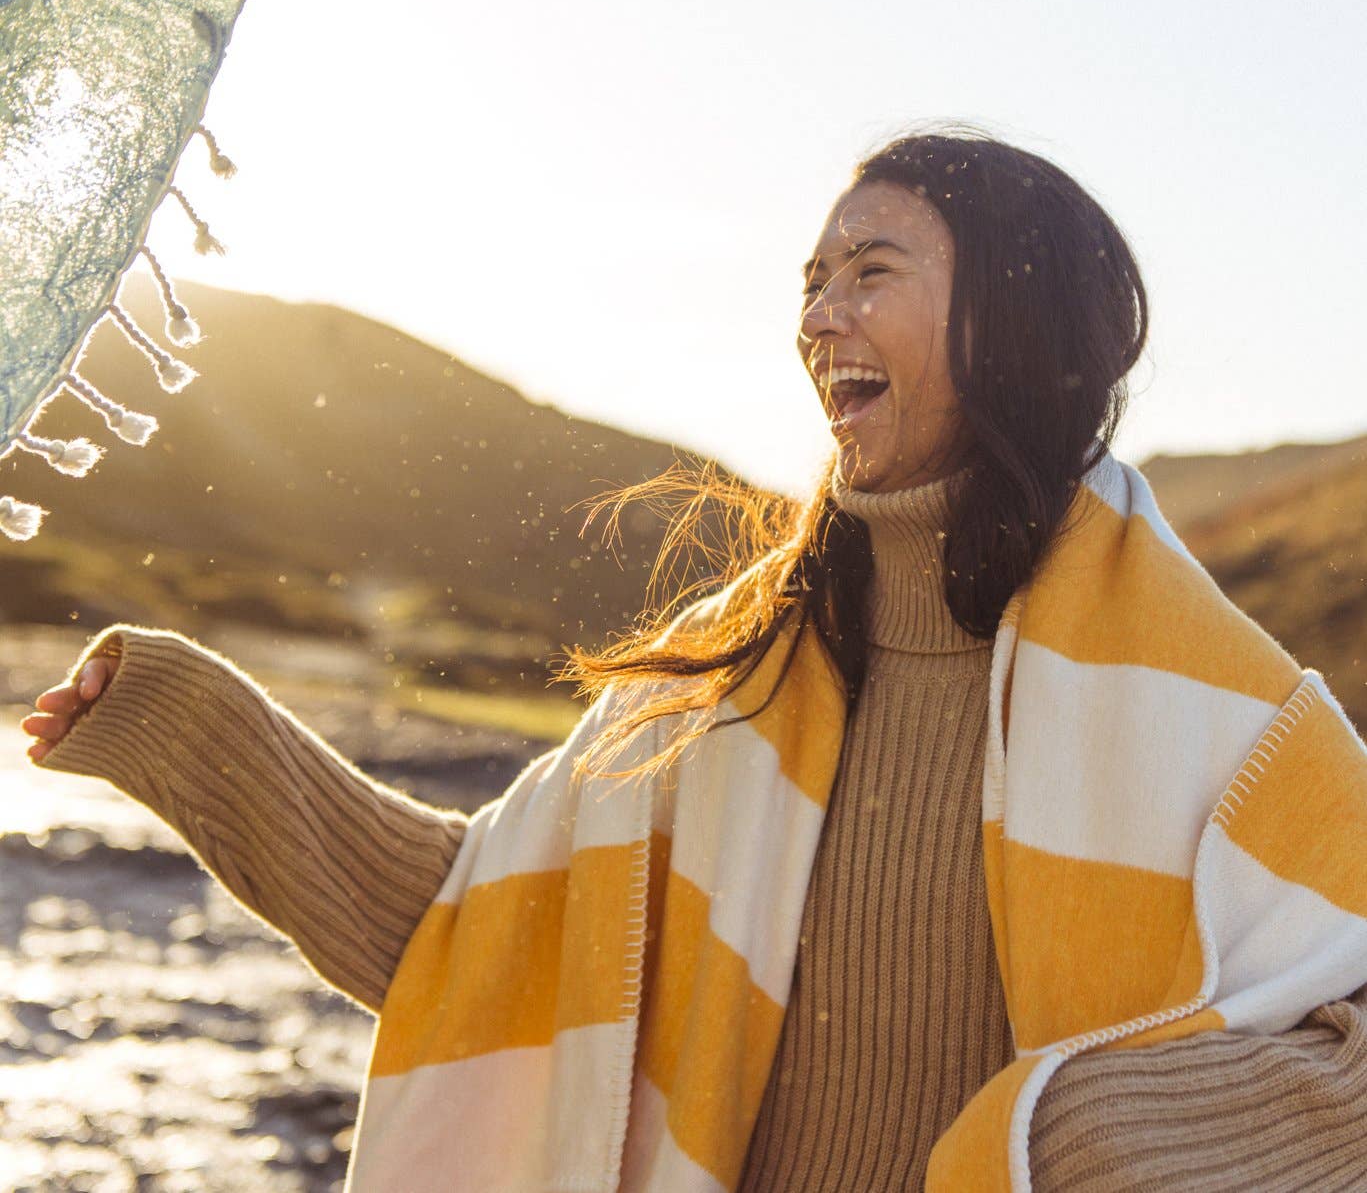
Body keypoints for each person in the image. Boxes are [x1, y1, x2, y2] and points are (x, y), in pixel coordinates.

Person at [23, 124, 1367, 1191]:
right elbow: (481, 944)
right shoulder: (733, 672)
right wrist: (189, 726)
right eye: (812, 281)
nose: (821, 316)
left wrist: (1119, 1130)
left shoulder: (1224, 713)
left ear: (1013, 322)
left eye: (872, 271)